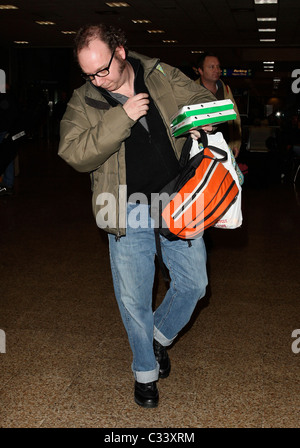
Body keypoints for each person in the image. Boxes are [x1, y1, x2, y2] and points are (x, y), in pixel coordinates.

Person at [58, 23, 216, 408]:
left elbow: (200, 98)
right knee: (134, 298)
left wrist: (202, 120)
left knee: (195, 284)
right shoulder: (85, 100)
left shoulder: (159, 72)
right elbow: (74, 153)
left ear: (121, 52)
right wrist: (121, 117)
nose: (99, 80)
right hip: (125, 206)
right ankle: (145, 371)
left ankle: (158, 338)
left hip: (177, 198)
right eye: (89, 74)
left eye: (103, 69)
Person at [194, 52, 242, 157]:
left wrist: (236, 143)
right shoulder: (192, 91)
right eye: (211, 67)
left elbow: (235, 118)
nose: (217, 70)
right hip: (201, 147)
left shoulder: (225, 90)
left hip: (225, 145)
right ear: (200, 70)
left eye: (218, 67)